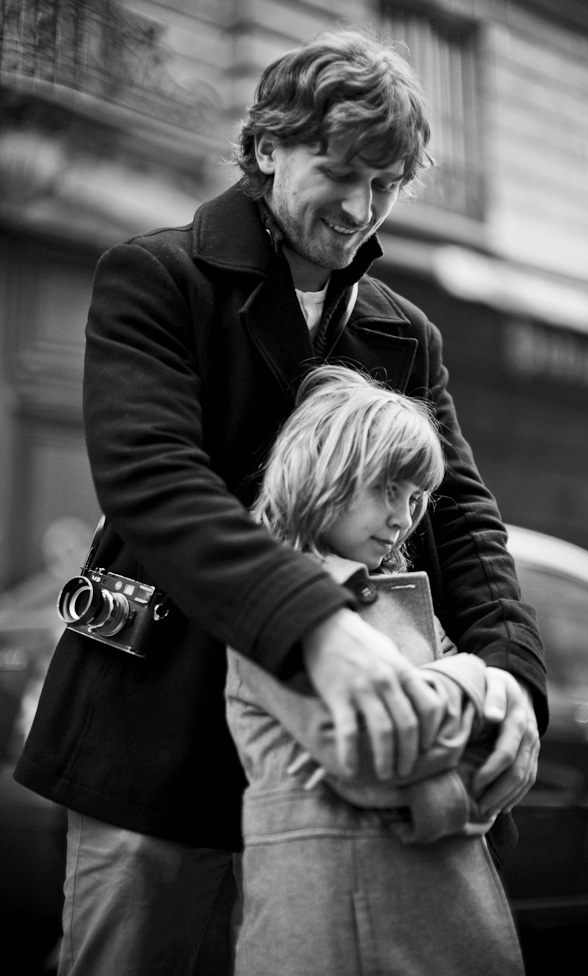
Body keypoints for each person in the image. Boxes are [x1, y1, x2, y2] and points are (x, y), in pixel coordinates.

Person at [14, 26, 546, 976]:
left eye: (387, 184)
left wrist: (512, 676)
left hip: (326, 781)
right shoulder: (154, 275)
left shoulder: (404, 333)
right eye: (340, 171)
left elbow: (462, 517)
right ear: (267, 148)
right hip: (152, 741)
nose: (362, 208)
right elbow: (151, 483)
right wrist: (317, 628)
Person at [226, 363, 525, 975]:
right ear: (326, 473)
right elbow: (374, 755)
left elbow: (480, 745)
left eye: (417, 498)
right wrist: (478, 675)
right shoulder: (273, 599)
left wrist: (446, 703)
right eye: (389, 489)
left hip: (424, 905)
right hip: (336, 922)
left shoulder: (401, 596)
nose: (404, 518)